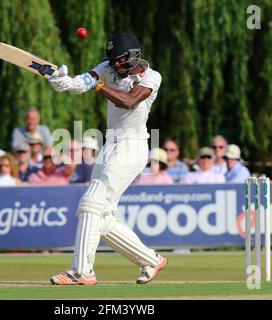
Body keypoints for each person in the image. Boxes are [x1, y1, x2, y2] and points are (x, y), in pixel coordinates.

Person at [48, 33, 166, 285]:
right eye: (111, 61)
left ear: (135, 57)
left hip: (133, 146)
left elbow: (129, 101)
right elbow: (83, 82)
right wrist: (64, 82)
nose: (114, 66)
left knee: (90, 203)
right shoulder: (108, 67)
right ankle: (150, 260)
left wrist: (99, 86)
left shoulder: (152, 77)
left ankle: (82, 271)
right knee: (102, 216)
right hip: (110, 144)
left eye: (120, 61)